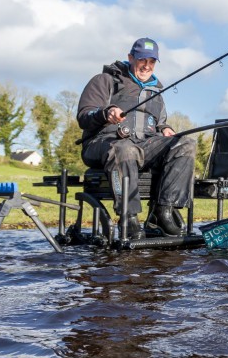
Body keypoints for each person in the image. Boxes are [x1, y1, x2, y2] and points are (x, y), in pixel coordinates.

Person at [77, 37, 197, 239]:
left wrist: (165, 130)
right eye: (142, 60)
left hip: (143, 145)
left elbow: (160, 123)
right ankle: (129, 217)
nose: (147, 66)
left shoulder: (156, 92)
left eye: (152, 61)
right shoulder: (105, 80)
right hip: (102, 144)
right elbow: (84, 116)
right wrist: (105, 113)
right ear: (131, 57)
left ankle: (163, 212)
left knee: (185, 144)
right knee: (124, 149)